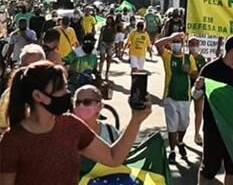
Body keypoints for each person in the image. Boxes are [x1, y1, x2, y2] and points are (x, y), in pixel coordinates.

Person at [0, 60, 152, 184]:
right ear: (38, 96)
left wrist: (136, 120)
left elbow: (113, 158)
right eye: (61, 88)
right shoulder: (12, 142)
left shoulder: (71, 126)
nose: (67, 94)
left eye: (66, 87)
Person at [197, 35, 233, 185]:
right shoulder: (210, 69)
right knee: (209, 168)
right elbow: (196, 96)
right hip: (213, 129)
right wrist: (197, 87)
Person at [155, 32, 198, 163]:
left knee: (183, 124)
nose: (177, 43)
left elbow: (195, 74)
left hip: (185, 97)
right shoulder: (167, 56)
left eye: (179, 41)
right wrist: (172, 37)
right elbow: (157, 44)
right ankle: (172, 151)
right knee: (172, 126)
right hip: (170, 97)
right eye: (175, 42)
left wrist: (189, 71)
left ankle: (180, 141)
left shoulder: (188, 57)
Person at [72, 85, 120, 175]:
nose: (81, 105)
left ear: (99, 105)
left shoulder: (110, 132)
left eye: (87, 102)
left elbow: (123, 160)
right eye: (77, 102)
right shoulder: (68, 133)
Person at [0, 44, 45, 132]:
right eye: (25, 66)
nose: (28, 71)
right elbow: (2, 126)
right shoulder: (8, 95)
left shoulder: (54, 92)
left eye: (35, 66)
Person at [188, 37, 208, 146]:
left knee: (199, 111)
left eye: (196, 44)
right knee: (184, 113)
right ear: (188, 45)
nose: (194, 46)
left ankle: (196, 134)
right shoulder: (185, 58)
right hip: (186, 88)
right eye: (192, 44)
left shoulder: (202, 59)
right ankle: (180, 134)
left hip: (198, 89)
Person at [98, 15, 117, 79]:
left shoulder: (114, 28)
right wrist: (98, 44)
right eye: (108, 19)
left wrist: (114, 45)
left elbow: (115, 37)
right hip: (103, 43)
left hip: (110, 44)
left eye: (110, 20)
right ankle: (100, 72)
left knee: (109, 59)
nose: (109, 21)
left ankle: (107, 73)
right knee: (102, 58)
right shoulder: (103, 27)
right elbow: (101, 36)